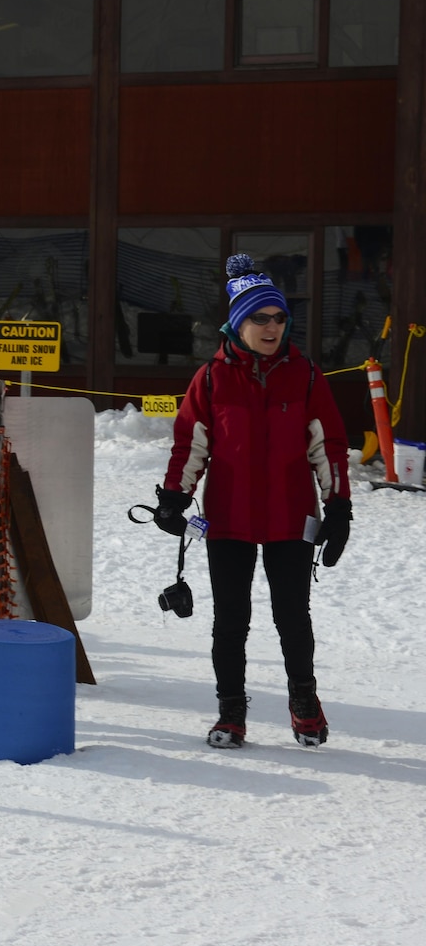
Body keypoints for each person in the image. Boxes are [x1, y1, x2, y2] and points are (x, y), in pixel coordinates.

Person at [153, 254, 350, 748]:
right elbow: (191, 443)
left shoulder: (305, 377)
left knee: (292, 615)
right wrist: (174, 497)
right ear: (238, 323)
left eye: (280, 317)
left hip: (290, 516)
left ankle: (304, 704)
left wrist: (339, 507)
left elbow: (327, 446)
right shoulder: (213, 379)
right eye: (261, 318)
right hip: (228, 517)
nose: (272, 327)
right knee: (231, 619)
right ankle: (231, 713)